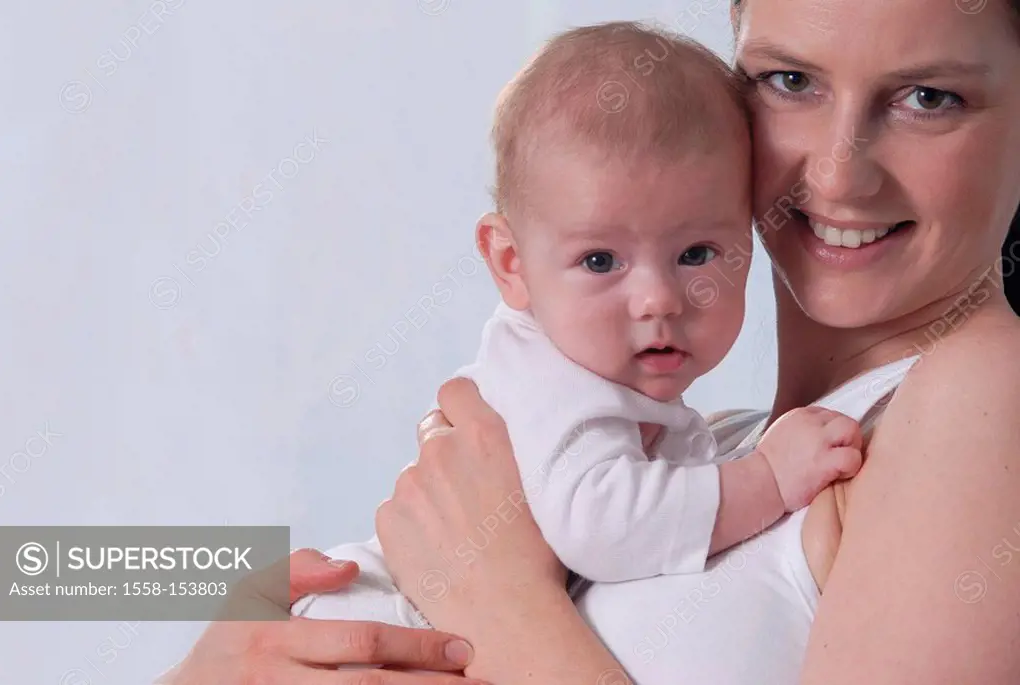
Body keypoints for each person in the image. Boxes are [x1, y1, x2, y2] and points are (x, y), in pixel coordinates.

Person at [162, 0, 1020, 683]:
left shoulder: (984, 395)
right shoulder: (705, 446)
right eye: (792, 79)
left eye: (928, 97)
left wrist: (495, 603)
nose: (837, 172)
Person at [291, 24, 864, 633]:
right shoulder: (555, 386)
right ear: (511, 263)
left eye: (697, 253)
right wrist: (766, 480)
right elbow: (604, 528)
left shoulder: (603, 377)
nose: (657, 300)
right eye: (599, 261)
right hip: (379, 617)